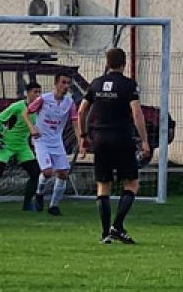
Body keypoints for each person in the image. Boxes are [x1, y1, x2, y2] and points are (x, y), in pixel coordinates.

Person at [78, 48, 151, 244]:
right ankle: (117, 226)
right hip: (121, 137)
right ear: (124, 64)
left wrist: (83, 136)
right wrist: (144, 140)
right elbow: (136, 113)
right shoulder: (128, 85)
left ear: (107, 63)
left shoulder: (96, 84)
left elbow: (81, 111)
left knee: (103, 185)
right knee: (131, 183)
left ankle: (105, 234)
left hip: (99, 139)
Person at [0, 81, 43, 214]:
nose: (38, 95)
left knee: (35, 173)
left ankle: (27, 205)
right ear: (27, 93)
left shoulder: (39, 109)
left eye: (39, 92)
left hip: (22, 146)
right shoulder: (17, 107)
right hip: (7, 145)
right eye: (35, 92)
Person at [25, 74, 79, 215]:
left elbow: (75, 123)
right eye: (63, 82)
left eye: (68, 83)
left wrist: (81, 141)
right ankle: (39, 193)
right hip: (41, 140)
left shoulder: (70, 103)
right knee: (48, 172)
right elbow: (26, 113)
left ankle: (53, 206)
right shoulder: (43, 99)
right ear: (55, 84)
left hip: (56, 141)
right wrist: (32, 128)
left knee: (63, 174)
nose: (66, 86)